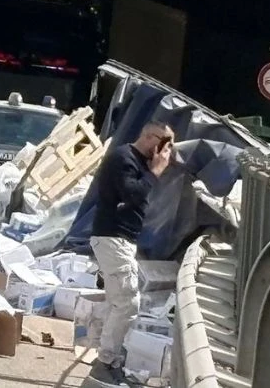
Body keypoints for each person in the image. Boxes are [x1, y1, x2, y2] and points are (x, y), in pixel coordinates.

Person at [88, 121, 175, 386]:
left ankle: (109, 360)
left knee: (118, 301)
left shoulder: (134, 160)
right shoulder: (123, 158)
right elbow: (133, 193)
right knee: (128, 302)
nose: (167, 152)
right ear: (150, 138)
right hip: (112, 237)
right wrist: (155, 172)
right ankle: (104, 362)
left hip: (121, 239)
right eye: (165, 145)